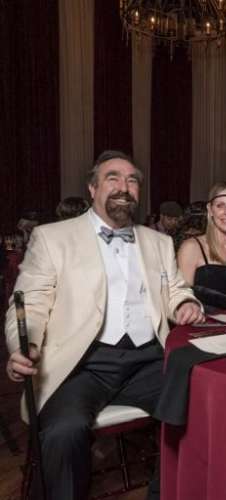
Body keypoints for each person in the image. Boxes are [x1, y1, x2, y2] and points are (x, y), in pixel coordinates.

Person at [4, 150, 203, 500]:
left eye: (132, 180)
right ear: (93, 188)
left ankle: (164, 493)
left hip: (148, 360)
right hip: (82, 365)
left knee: (204, 408)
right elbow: (30, 303)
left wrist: (185, 303)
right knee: (63, 432)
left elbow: (174, 288)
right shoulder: (53, 237)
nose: (124, 187)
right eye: (113, 178)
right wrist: (26, 344)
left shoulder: (158, 241)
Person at [177, 182, 226, 308]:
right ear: (210, 209)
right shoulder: (192, 248)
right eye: (220, 206)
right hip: (203, 320)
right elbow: (181, 299)